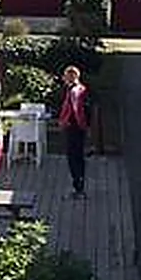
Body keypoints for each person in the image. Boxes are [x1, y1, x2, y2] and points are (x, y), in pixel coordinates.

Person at [58, 65, 90, 197]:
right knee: (79, 156)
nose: (64, 78)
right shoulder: (81, 89)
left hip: (73, 127)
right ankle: (79, 184)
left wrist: (66, 122)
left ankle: (78, 186)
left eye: (66, 75)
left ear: (72, 76)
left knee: (73, 157)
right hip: (79, 127)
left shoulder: (73, 91)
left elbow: (75, 110)